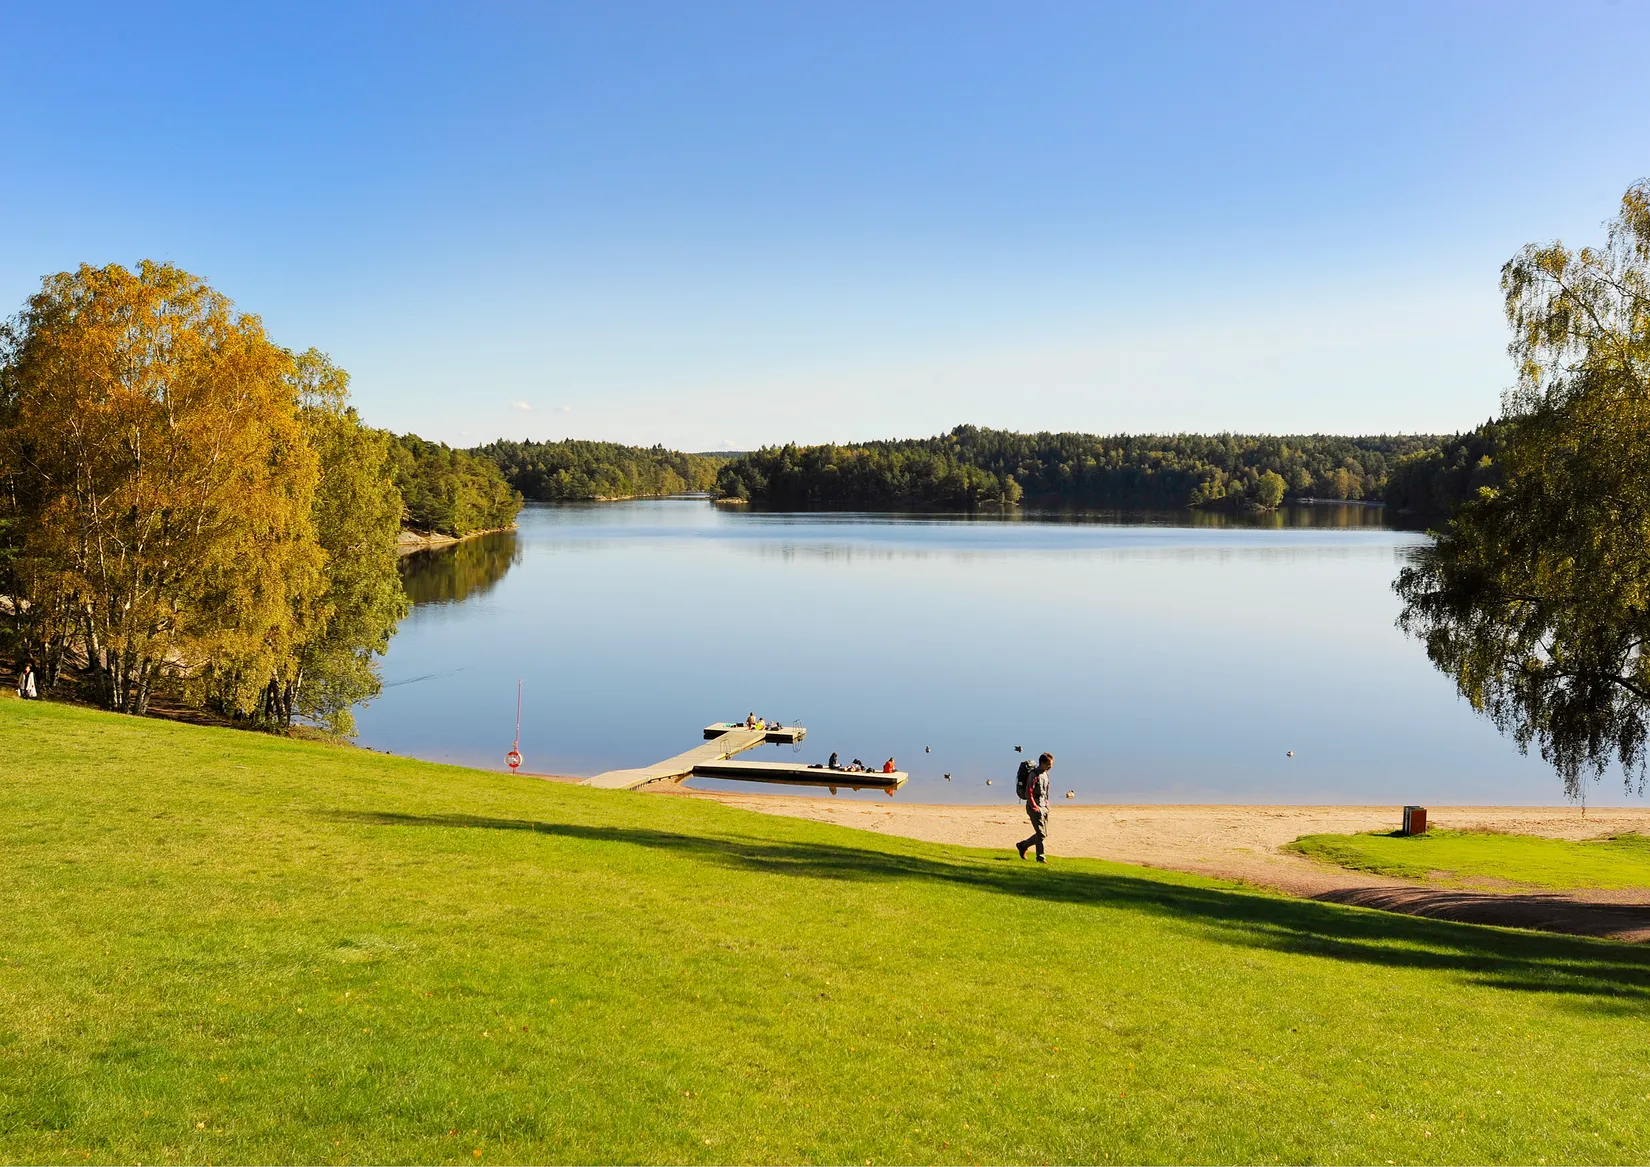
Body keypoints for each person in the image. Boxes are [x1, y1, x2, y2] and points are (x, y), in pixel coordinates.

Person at [1016, 751, 1055, 863]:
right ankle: (1040, 857)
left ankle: (1023, 845)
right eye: (1049, 764)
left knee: (1044, 834)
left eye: (1051, 764)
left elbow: (1046, 790)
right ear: (1042, 763)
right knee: (1041, 833)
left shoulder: (1046, 773)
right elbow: (1030, 792)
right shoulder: (1034, 775)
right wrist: (1034, 806)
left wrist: (1047, 804)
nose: (1050, 767)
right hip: (1034, 806)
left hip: (1044, 806)